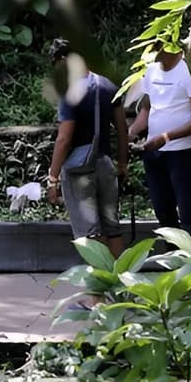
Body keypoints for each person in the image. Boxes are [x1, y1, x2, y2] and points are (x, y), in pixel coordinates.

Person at [46, 39, 129, 261]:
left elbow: (64, 138)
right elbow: (122, 129)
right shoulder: (109, 86)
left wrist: (52, 177)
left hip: (78, 170)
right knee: (112, 228)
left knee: (90, 234)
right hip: (106, 165)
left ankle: (98, 293)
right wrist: (122, 164)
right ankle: (121, 287)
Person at [128, 42, 191, 238]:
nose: (153, 53)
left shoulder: (187, 71)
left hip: (181, 151)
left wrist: (167, 137)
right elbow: (147, 108)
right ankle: (173, 255)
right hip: (153, 150)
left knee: (187, 208)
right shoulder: (151, 70)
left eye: (157, 48)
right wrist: (131, 132)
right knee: (162, 208)